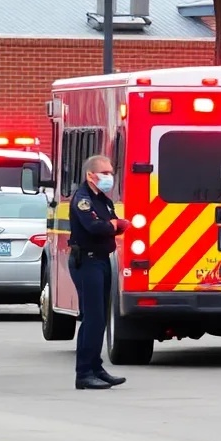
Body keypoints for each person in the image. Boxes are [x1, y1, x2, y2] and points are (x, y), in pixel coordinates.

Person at [69, 154, 130, 390]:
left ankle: (96, 367)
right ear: (90, 175)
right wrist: (112, 226)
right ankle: (83, 373)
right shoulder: (82, 199)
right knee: (92, 318)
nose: (109, 177)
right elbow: (95, 227)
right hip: (87, 262)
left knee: (100, 317)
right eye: (105, 173)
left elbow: (115, 223)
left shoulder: (103, 200)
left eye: (111, 173)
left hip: (103, 260)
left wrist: (113, 226)